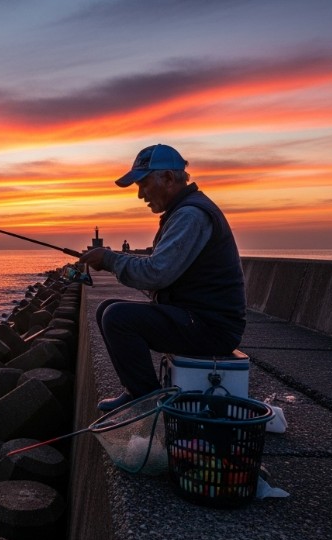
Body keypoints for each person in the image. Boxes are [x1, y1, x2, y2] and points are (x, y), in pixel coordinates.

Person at [79, 144, 246, 411]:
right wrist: (112, 260)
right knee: (106, 308)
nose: (140, 195)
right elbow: (162, 269)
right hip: (198, 318)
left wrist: (110, 260)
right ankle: (136, 390)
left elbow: (156, 273)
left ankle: (146, 400)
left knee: (117, 317)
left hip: (212, 327)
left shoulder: (190, 215)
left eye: (143, 184)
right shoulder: (184, 211)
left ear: (168, 178)